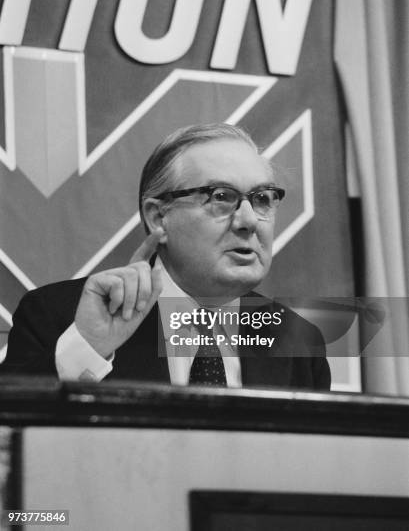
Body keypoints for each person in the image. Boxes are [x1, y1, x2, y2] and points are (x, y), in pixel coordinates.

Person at [1, 124, 330, 389]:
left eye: (262, 199)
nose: (247, 221)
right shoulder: (61, 317)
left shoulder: (297, 340)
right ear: (159, 218)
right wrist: (88, 348)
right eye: (221, 197)